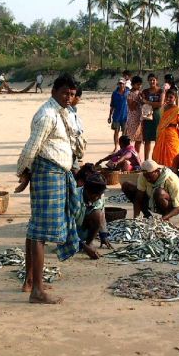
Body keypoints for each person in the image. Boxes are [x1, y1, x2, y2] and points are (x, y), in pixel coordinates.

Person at [16, 73, 89, 305]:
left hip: (59, 173)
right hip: (48, 174)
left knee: (35, 228)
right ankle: (36, 289)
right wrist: (23, 172)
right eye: (65, 93)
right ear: (54, 91)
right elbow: (32, 147)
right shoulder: (46, 114)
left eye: (72, 94)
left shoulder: (63, 112)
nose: (69, 97)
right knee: (40, 232)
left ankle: (30, 281)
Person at [73, 172, 113, 253]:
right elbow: (66, 226)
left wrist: (103, 235)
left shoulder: (100, 197)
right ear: (86, 190)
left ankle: (89, 242)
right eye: (94, 195)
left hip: (84, 232)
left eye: (99, 194)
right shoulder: (74, 197)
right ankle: (81, 245)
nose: (97, 198)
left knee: (98, 214)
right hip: (70, 234)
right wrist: (83, 246)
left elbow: (102, 216)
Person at [151, 89, 179, 168]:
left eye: (171, 97)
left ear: (175, 98)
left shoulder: (178, 111)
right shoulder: (163, 108)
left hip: (172, 135)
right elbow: (161, 122)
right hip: (161, 134)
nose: (168, 99)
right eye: (167, 97)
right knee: (159, 153)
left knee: (172, 154)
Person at [141, 73, 164, 160]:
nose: (152, 81)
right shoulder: (145, 91)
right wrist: (151, 104)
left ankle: (156, 159)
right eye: (150, 80)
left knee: (157, 139)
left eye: (153, 80)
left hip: (157, 116)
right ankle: (146, 160)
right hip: (147, 116)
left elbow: (160, 104)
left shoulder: (160, 91)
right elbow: (142, 102)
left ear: (156, 81)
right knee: (147, 139)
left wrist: (147, 102)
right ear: (148, 81)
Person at [125, 76, 144, 155]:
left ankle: (137, 154)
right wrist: (138, 99)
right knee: (130, 138)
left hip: (140, 118)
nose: (139, 86)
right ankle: (129, 154)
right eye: (137, 84)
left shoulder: (140, 92)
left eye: (140, 85)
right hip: (133, 119)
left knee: (139, 139)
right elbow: (131, 107)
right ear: (133, 84)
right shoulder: (130, 94)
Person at [68, 85, 86, 171]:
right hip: (69, 147)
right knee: (75, 170)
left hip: (74, 148)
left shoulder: (73, 109)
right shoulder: (67, 111)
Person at [108, 79, 128, 151]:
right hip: (116, 116)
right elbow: (112, 105)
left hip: (125, 116)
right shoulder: (114, 93)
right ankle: (116, 146)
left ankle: (123, 147)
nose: (121, 85)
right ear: (118, 84)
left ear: (125, 84)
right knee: (116, 132)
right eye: (120, 84)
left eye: (122, 83)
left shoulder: (128, 92)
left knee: (124, 133)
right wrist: (109, 116)